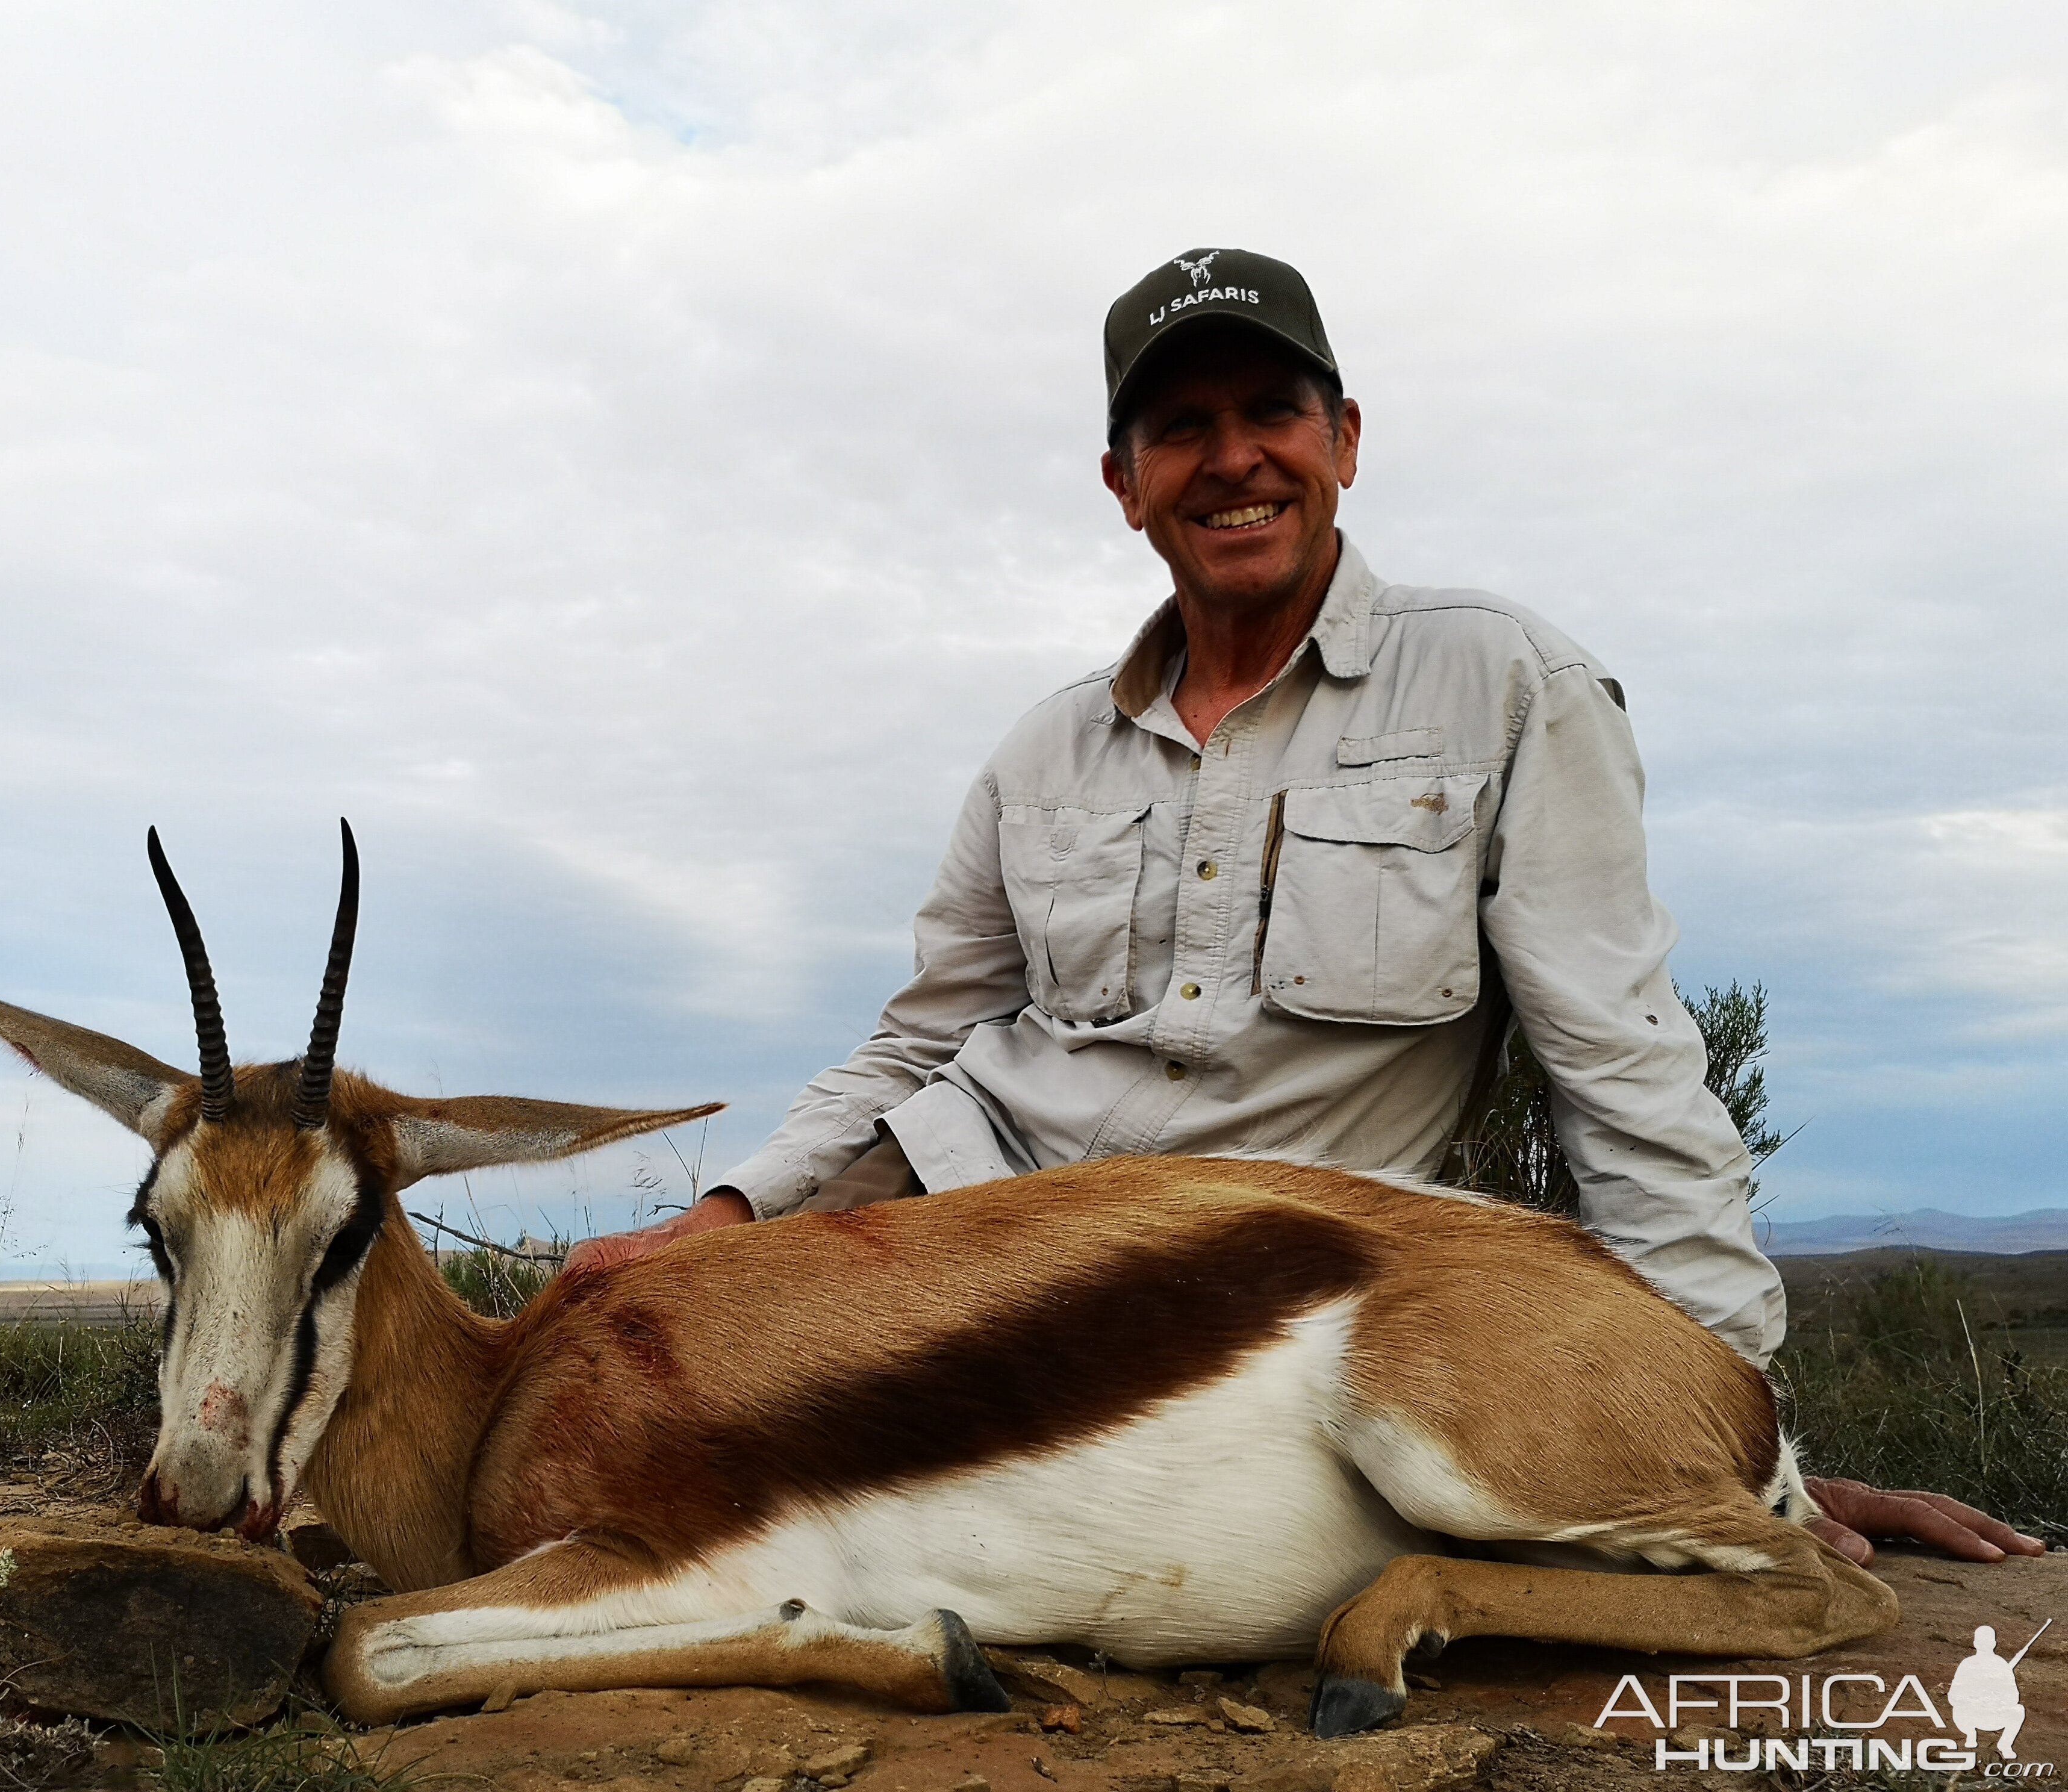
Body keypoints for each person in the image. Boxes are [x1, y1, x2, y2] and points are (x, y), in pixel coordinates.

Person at [568, 247, 2043, 1572]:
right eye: (1177, 431)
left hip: (1228, 1309)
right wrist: (717, 1215)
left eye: (1268, 412)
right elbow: (921, 1044)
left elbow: (1624, 1069)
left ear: (1341, 440)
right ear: (1121, 482)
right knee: (586, 1438)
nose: (1230, 462)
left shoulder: (1505, 685)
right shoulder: (1039, 752)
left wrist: (1726, 1446)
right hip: (945, 1241)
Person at [1948, 1625, 2028, 1758]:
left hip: (1994, 1716)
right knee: (1958, 1709)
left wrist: (1995, 1700)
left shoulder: (2002, 1665)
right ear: (1975, 1644)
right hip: (1970, 1716)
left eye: (1987, 1642)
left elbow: (2014, 1697)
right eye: (1981, 1642)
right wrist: (1974, 1700)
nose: (1985, 1644)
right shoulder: (1967, 1664)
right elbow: (1953, 1696)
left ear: (1994, 1644)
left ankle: (2005, 1745)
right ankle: (1971, 1734)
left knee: (2019, 1710)